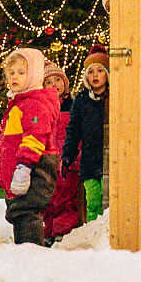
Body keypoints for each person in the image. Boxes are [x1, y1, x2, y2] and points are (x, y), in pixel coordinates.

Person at [0, 48, 59, 246]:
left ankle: (31, 256)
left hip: (35, 169)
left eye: (21, 72)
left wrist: (24, 168)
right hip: (22, 168)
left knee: (26, 213)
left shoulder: (34, 105)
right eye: (11, 72)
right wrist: (4, 168)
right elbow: (12, 143)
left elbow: (35, 138)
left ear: (33, 74)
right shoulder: (20, 103)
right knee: (19, 213)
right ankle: (25, 255)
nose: (15, 77)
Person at [61, 45, 109, 223]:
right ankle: (94, 232)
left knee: (109, 201)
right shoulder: (81, 101)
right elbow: (73, 130)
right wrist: (68, 155)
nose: (95, 76)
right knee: (93, 201)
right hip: (90, 161)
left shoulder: (113, 98)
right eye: (91, 72)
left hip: (110, 160)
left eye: (100, 71)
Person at [42, 60, 82, 243]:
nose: (54, 85)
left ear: (64, 83)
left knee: (66, 199)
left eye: (57, 80)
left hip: (68, 162)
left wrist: (75, 156)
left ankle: (63, 232)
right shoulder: (41, 106)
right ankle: (47, 232)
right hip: (47, 161)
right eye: (48, 82)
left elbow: (76, 133)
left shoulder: (72, 106)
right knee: (48, 199)